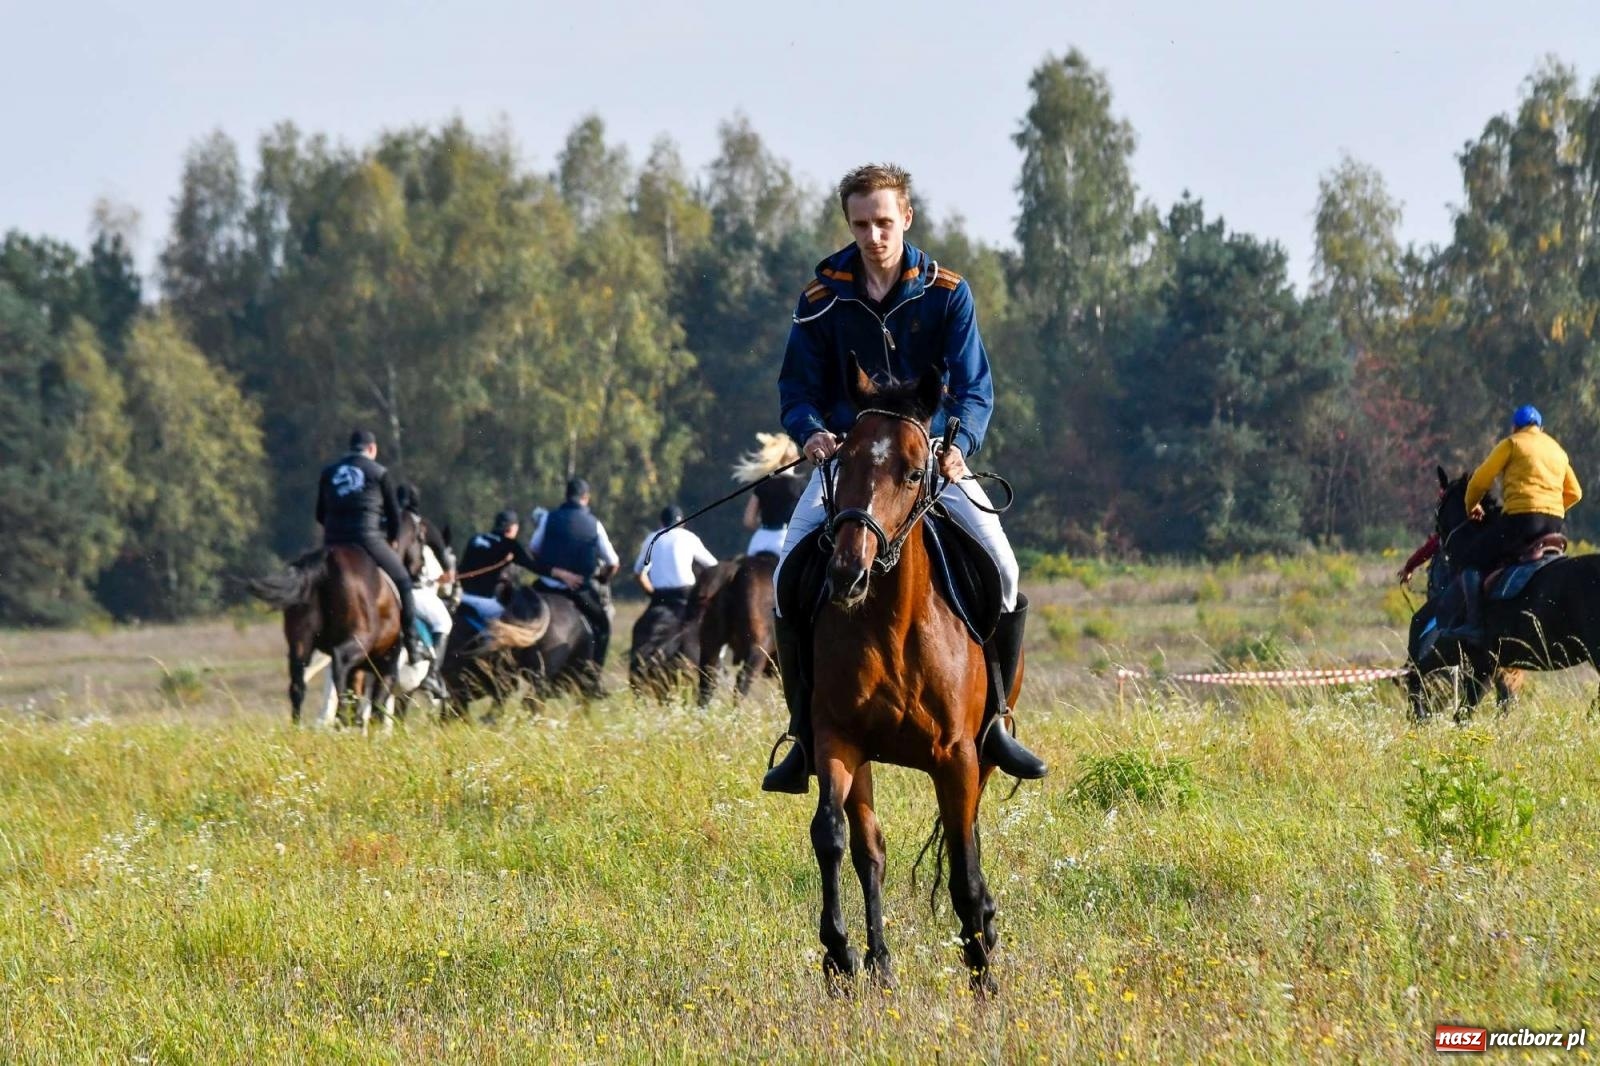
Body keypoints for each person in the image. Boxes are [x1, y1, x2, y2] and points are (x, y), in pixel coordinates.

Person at [763, 163, 1046, 794]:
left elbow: (975, 387)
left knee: (1004, 569)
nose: (873, 235)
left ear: (906, 218)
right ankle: (803, 735)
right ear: (849, 224)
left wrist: (959, 445)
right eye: (861, 223)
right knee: (785, 578)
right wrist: (810, 431)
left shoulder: (948, 291)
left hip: (933, 457)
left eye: (884, 221)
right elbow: (796, 386)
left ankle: (997, 721)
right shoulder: (820, 297)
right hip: (852, 463)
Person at [1424, 405, 1582, 653]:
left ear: (1515, 427)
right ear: (1540, 428)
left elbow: (1479, 481)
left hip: (1521, 521)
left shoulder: (1511, 444)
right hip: (1554, 524)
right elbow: (1575, 492)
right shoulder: (1557, 450)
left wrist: (1472, 505)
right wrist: (1552, 507)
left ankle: (1474, 625)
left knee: (1470, 558)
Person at [316, 429, 425, 663]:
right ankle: (412, 642)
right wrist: (394, 538)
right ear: (372, 449)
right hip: (367, 541)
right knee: (404, 583)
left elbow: (319, 514)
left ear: (350, 448)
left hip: (332, 543)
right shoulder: (379, 472)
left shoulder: (329, 472)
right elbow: (394, 515)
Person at [528, 477, 620, 670]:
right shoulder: (594, 524)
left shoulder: (548, 517)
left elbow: (533, 548)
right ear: (585, 498)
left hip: (546, 585)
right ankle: (594, 675)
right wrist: (604, 577)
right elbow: (613, 562)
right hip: (579, 591)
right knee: (602, 626)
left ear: (567, 496)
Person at [455, 509, 580, 623]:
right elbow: (535, 566)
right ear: (512, 528)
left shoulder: (475, 538)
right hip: (486, 603)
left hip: (460, 597)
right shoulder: (510, 545)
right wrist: (563, 575)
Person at [733, 432, 806, 558]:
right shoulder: (801, 486)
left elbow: (749, 520)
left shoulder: (762, 485)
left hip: (760, 539)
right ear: (794, 460)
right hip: (786, 540)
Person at [634, 505, 717, 608]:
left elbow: (639, 574)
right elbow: (714, 567)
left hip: (660, 596)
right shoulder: (689, 537)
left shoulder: (651, 538)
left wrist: (653, 595)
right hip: (685, 594)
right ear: (683, 523)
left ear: (661, 522)